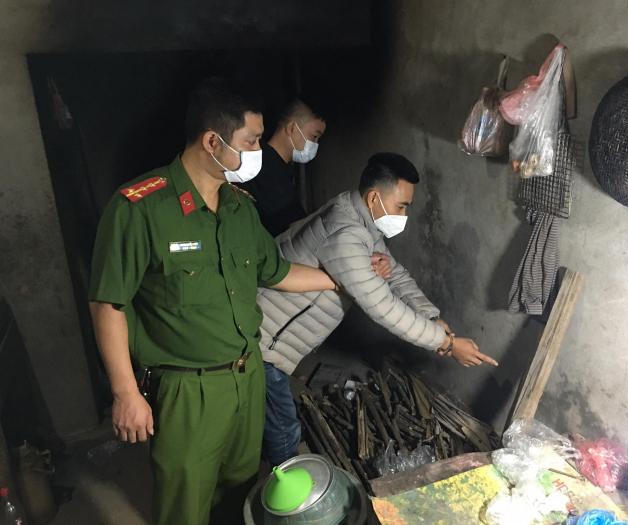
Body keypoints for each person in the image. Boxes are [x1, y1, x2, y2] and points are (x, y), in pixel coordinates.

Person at [87, 77, 341, 525]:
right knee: (186, 502)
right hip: (188, 391)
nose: (260, 150)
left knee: (239, 491)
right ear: (212, 141)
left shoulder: (240, 207)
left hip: (247, 377)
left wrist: (338, 281)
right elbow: (109, 303)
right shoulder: (139, 208)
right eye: (252, 141)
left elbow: (277, 272)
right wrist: (125, 392)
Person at [257, 152, 499, 466]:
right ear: (374, 197)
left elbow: (395, 274)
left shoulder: (358, 216)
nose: (404, 215)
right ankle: (286, 485)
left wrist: (431, 316)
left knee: (269, 418)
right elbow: (384, 308)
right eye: (401, 206)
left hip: (276, 337)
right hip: (265, 341)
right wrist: (448, 344)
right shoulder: (346, 235)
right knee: (283, 432)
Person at [241, 98, 326, 236]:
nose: (315, 144)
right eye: (314, 136)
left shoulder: (282, 169)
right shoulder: (265, 170)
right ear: (292, 128)